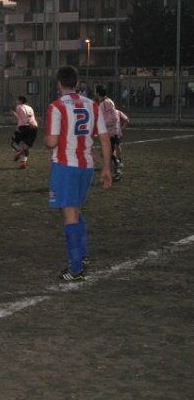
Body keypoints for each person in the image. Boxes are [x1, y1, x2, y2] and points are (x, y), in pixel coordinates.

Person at [44, 66, 112, 282]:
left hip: (66, 166)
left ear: (59, 83)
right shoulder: (92, 105)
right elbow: (104, 138)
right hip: (86, 166)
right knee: (76, 209)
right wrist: (107, 168)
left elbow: (52, 141)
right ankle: (82, 256)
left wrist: (46, 140)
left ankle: (75, 269)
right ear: (76, 83)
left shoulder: (56, 107)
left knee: (69, 214)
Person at [95, 84, 122, 181]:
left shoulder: (106, 103)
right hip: (110, 131)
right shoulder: (106, 102)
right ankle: (114, 169)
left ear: (98, 93)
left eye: (96, 92)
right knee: (108, 152)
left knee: (109, 152)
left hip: (111, 132)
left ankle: (117, 170)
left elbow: (114, 118)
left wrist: (103, 125)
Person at [10, 95, 38, 169]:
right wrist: (15, 114)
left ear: (21, 101)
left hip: (24, 127)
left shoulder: (19, 107)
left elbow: (24, 118)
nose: (16, 102)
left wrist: (29, 123)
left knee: (13, 143)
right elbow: (23, 117)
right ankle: (23, 162)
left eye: (17, 100)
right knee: (26, 147)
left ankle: (19, 152)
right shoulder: (30, 108)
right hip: (34, 127)